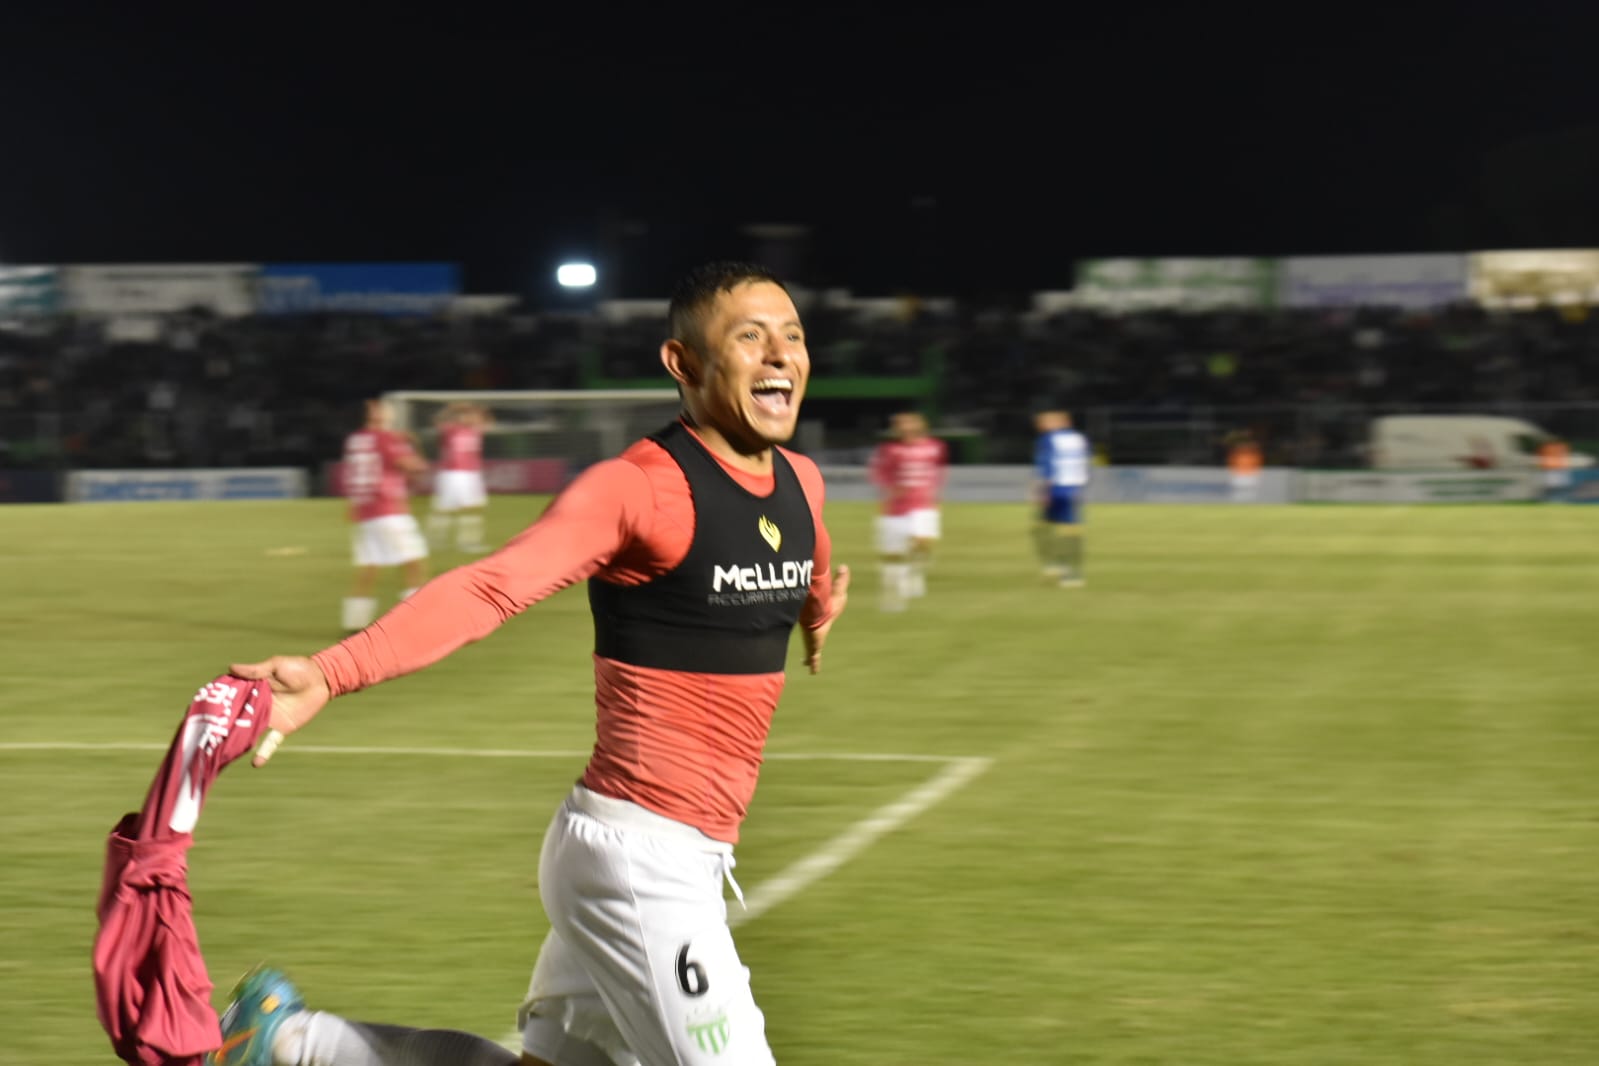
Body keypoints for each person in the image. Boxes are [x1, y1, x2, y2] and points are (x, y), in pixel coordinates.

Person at [210, 262, 851, 1066]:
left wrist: (818, 609)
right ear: (681, 364)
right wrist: (333, 672)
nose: (778, 354)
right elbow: (489, 587)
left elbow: (810, 556)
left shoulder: (801, 483)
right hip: (637, 857)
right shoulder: (638, 491)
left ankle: (289, 1044)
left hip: (671, 853)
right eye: (748, 337)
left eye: (791, 336)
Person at [340, 398, 431, 632]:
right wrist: (414, 446)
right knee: (413, 562)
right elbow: (414, 466)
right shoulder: (388, 438)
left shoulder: (355, 439)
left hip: (365, 511)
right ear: (378, 415)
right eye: (384, 409)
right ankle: (415, 618)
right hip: (389, 509)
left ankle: (354, 621)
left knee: (370, 565)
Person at [867, 410, 948, 610]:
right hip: (896, 507)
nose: (905, 428)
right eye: (901, 425)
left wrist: (935, 493)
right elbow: (878, 473)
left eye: (909, 424)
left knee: (923, 541)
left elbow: (937, 471)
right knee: (894, 553)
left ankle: (915, 572)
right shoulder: (889, 449)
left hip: (923, 505)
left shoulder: (934, 447)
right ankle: (897, 592)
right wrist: (890, 488)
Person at [1033, 408, 1090, 587]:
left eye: (1044, 422)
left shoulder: (1049, 439)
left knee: (1058, 529)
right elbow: (1085, 461)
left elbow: (1047, 466)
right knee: (1061, 527)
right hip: (1075, 488)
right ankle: (1060, 567)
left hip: (1057, 488)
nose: (1041, 426)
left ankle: (1070, 573)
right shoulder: (1080, 439)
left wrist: (1042, 491)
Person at [427, 400, 494, 552]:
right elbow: (437, 421)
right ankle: (435, 540)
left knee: (473, 508)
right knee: (443, 508)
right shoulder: (450, 430)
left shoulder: (475, 430)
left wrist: (478, 408)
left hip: (471, 474)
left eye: (471, 415)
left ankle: (469, 542)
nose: (470, 418)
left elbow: (489, 422)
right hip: (452, 473)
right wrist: (450, 409)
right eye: (466, 415)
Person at [1225, 429, 1263, 504]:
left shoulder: (1254, 450)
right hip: (1239, 474)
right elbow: (1231, 460)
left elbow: (1258, 460)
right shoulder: (1236, 448)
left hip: (1251, 474)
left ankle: (1250, 507)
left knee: (1250, 493)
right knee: (1238, 493)